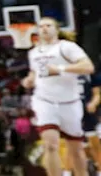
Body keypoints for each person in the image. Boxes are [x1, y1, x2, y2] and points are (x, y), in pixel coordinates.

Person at [22, 17, 95, 176]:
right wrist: (28, 80)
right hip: (44, 101)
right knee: (50, 145)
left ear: (57, 29)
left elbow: (88, 67)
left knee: (75, 149)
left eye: (48, 25)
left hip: (70, 102)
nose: (44, 29)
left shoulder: (67, 47)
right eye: (41, 26)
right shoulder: (33, 52)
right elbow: (34, 73)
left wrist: (60, 68)